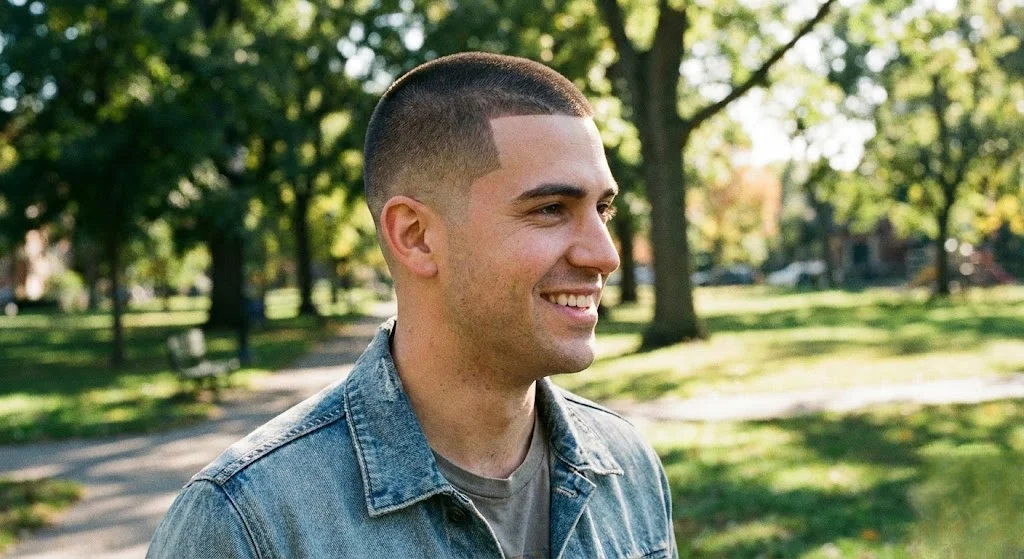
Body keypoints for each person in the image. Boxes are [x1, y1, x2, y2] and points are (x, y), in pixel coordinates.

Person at [148, 52, 677, 559]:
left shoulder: (627, 467)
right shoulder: (248, 522)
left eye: (602, 209)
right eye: (551, 209)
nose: (604, 256)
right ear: (417, 236)